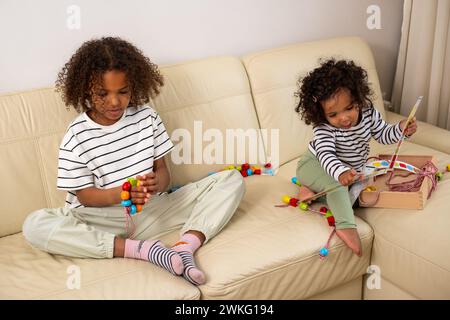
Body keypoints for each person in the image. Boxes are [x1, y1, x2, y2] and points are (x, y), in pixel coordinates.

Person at [22, 37, 245, 286]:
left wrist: (155, 183)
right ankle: (143, 250)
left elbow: (163, 174)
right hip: (102, 220)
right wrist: (125, 193)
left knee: (230, 179)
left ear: (134, 87)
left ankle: (185, 247)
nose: (115, 101)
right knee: (35, 225)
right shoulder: (77, 135)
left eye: (123, 92)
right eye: (102, 93)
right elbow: (85, 197)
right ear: (86, 89)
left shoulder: (146, 117)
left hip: (153, 212)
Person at [294, 59, 417, 256]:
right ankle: (345, 225)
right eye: (333, 114)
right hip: (313, 164)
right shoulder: (324, 128)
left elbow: (384, 134)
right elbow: (326, 155)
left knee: (353, 190)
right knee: (338, 186)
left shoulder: (369, 114)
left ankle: (311, 190)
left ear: (358, 100)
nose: (344, 118)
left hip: (348, 171)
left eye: (349, 108)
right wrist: (341, 171)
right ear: (321, 114)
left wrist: (401, 129)